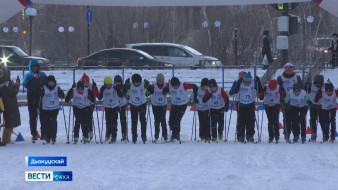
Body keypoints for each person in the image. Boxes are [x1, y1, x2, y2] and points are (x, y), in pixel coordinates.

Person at [163, 77, 197, 142]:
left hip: (183, 104)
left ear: (178, 84)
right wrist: (165, 90)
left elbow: (194, 86)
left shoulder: (183, 85)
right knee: (171, 121)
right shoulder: (169, 85)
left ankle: (176, 135)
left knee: (177, 120)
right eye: (173, 86)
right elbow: (164, 88)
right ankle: (174, 133)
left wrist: (195, 95)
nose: (175, 87)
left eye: (176, 86)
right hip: (174, 104)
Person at [232, 72, 262, 143]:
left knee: (251, 121)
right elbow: (234, 91)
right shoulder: (239, 82)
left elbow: (260, 90)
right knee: (241, 121)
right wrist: (238, 83)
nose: (247, 83)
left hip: (250, 104)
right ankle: (241, 136)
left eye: (249, 82)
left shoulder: (253, 82)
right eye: (245, 82)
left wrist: (258, 82)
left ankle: (250, 136)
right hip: (241, 104)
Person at [277, 63, 302, 142]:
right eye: (287, 69)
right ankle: (287, 134)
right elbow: (278, 88)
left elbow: (301, 88)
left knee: (295, 119)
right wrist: (280, 97)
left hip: (295, 101)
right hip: (285, 101)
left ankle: (296, 134)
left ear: (292, 69)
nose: (288, 71)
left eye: (290, 69)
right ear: (284, 69)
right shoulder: (280, 78)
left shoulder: (297, 77)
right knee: (286, 119)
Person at [23, 59, 47, 141]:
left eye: (36, 66)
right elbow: (25, 84)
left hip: (41, 95)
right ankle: (34, 133)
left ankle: (44, 133)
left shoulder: (42, 74)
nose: (35, 68)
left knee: (43, 115)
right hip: (31, 95)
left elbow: (48, 82)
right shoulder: (28, 75)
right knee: (33, 116)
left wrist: (43, 81)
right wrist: (33, 78)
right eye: (33, 67)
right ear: (30, 67)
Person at [122, 74, 149, 144]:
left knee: (143, 120)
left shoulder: (143, 84)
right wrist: (125, 85)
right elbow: (124, 92)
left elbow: (148, 93)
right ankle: (134, 136)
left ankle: (143, 135)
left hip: (142, 103)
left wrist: (147, 85)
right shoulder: (130, 85)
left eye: (138, 82)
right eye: (135, 82)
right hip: (133, 104)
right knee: (134, 121)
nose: (136, 83)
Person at [39, 75, 65, 144]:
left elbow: (62, 95)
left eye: (52, 82)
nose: (51, 83)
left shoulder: (57, 88)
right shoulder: (44, 88)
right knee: (47, 123)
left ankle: (53, 137)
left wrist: (61, 94)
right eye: (49, 82)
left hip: (54, 108)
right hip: (46, 109)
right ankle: (47, 137)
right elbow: (39, 95)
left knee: (53, 123)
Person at [202, 79, 229, 143]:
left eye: (214, 87)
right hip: (212, 108)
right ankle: (214, 136)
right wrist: (208, 96)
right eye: (211, 87)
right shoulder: (208, 91)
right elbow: (204, 100)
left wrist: (226, 106)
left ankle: (220, 134)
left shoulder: (220, 89)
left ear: (216, 86)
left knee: (220, 121)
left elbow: (226, 97)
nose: (213, 89)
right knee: (213, 122)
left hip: (220, 107)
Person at [259, 79, 286, 143]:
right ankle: (271, 136)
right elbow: (260, 97)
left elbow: (284, 94)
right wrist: (262, 93)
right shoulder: (265, 87)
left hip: (276, 105)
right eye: (270, 88)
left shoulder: (279, 87)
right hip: (267, 105)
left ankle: (277, 135)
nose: (271, 89)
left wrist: (282, 97)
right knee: (270, 121)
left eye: (273, 88)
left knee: (276, 120)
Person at [98, 76, 123, 143]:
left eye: (109, 84)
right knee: (108, 121)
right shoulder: (103, 88)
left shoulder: (114, 88)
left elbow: (121, 95)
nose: (108, 86)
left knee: (114, 121)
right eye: (107, 84)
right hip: (107, 107)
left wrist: (117, 89)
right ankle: (108, 134)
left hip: (115, 106)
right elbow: (99, 98)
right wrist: (101, 91)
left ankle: (114, 136)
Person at [146, 73, 168, 143]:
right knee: (157, 120)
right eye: (159, 81)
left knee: (163, 120)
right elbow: (147, 93)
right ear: (157, 80)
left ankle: (165, 135)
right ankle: (156, 136)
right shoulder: (154, 86)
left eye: (162, 80)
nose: (161, 82)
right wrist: (148, 89)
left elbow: (171, 89)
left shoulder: (166, 85)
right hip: (155, 105)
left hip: (163, 105)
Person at [1, 73, 20, 145]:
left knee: (9, 124)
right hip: (9, 106)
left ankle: (7, 139)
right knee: (9, 124)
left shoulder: (6, 84)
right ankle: (6, 139)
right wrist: (17, 85)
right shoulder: (6, 84)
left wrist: (16, 84)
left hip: (10, 105)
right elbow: (13, 92)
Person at [305, 75, 324, 142]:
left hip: (322, 106)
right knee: (313, 120)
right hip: (313, 105)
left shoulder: (324, 86)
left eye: (319, 83)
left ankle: (325, 134)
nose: (318, 84)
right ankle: (313, 134)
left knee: (322, 120)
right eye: (317, 83)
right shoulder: (311, 85)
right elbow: (306, 93)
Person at [80, 73, 99, 141]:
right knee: (83, 119)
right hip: (82, 105)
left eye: (87, 82)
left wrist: (95, 87)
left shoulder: (91, 86)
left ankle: (90, 131)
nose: (86, 84)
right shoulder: (80, 86)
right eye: (85, 82)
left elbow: (97, 95)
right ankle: (84, 133)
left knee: (89, 118)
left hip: (90, 104)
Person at [229, 71, 246, 140]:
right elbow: (231, 92)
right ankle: (239, 134)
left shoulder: (248, 82)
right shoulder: (236, 82)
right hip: (239, 102)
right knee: (240, 118)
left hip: (247, 102)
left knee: (247, 119)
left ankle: (247, 134)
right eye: (241, 77)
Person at [192, 78, 210, 142]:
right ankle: (202, 135)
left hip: (206, 108)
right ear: (202, 85)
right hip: (199, 108)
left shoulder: (208, 90)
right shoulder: (198, 89)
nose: (206, 87)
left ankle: (207, 135)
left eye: (207, 86)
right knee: (201, 121)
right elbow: (193, 96)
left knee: (207, 121)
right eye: (205, 86)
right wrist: (194, 100)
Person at [114, 75, 128, 142]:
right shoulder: (114, 87)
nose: (118, 83)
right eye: (116, 82)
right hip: (115, 105)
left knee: (123, 120)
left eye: (119, 82)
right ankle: (114, 134)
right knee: (114, 120)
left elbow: (122, 94)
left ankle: (124, 134)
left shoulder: (123, 87)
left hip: (122, 105)